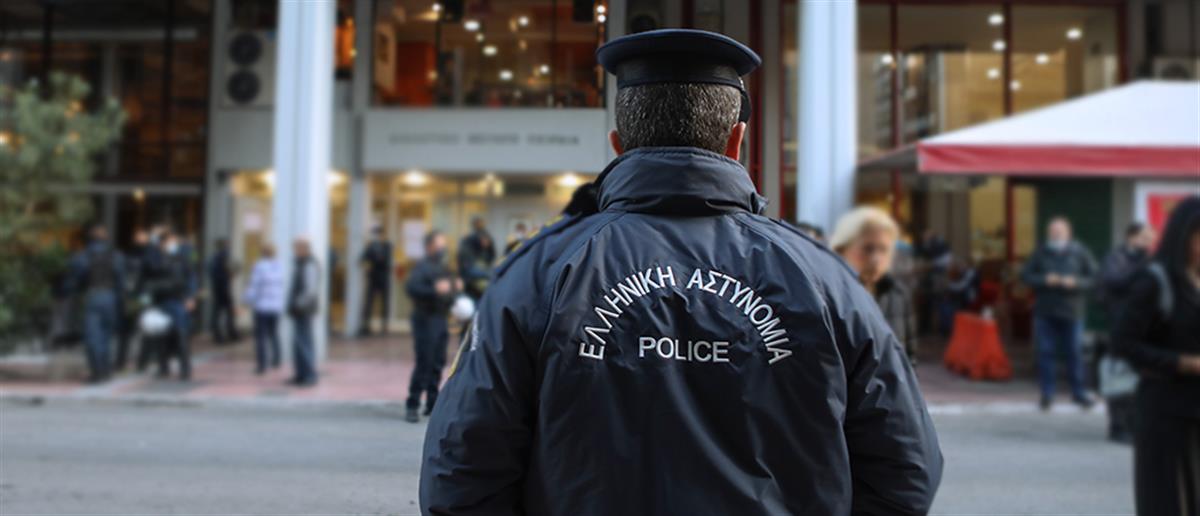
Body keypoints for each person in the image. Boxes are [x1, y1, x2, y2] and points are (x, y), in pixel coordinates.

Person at [420, 29, 941, 515]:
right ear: (736, 141)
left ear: (618, 144)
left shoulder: (537, 274)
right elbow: (905, 467)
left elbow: (462, 469)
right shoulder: (825, 280)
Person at [1113, 196, 1200, 516]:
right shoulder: (1155, 281)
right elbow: (1123, 342)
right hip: (1166, 411)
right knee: (1168, 501)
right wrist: (1182, 362)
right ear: (1183, 236)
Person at [1021, 216, 1098, 411]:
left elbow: (1094, 277)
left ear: (1068, 233)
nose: (1056, 235)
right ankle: (1047, 394)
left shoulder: (1080, 252)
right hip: (1045, 311)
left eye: (1059, 231)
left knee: (1074, 352)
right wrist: (1044, 279)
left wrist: (1076, 282)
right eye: (1053, 232)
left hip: (1072, 312)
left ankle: (1078, 393)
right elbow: (1026, 275)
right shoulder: (1041, 252)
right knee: (1045, 353)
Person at [831, 207, 918, 365]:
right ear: (841, 250)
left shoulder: (898, 294)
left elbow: (909, 356)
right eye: (868, 249)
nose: (876, 259)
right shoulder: (828, 297)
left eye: (883, 249)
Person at [1098, 222, 1157, 443]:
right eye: (1145, 238)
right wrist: (1143, 268)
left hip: (1143, 325)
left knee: (1138, 378)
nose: (1149, 242)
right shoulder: (1117, 258)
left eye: (1151, 239)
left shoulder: (1148, 259)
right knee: (1120, 376)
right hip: (1120, 325)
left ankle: (1134, 425)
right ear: (1132, 237)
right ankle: (1118, 427)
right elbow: (1114, 281)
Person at [404, 230, 460, 423]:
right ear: (429, 246)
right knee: (424, 362)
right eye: (439, 243)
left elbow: (449, 293)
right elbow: (412, 288)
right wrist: (434, 290)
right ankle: (412, 404)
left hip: (440, 319)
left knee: (438, 361)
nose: (443, 247)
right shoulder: (422, 267)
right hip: (425, 319)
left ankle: (432, 403)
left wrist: (455, 288)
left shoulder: (443, 267)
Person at [68, 224, 125, 383]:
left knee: (93, 336)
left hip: (93, 296)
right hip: (111, 297)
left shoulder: (83, 256)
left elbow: (76, 278)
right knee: (106, 336)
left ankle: (97, 372)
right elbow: (121, 281)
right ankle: (106, 370)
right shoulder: (116, 256)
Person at [143, 230, 197, 380]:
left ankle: (185, 369)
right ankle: (163, 367)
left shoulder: (181, 258)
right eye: (171, 241)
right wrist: (146, 302)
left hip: (177, 300)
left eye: (175, 241)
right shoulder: (153, 259)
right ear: (162, 243)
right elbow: (146, 279)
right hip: (160, 301)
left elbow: (191, 277)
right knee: (161, 335)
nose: (174, 244)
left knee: (181, 334)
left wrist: (190, 297)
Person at [243, 243, 286, 375]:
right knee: (274, 333)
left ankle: (262, 365)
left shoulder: (259, 266)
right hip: (276, 306)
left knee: (261, 336)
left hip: (262, 306)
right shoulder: (280, 266)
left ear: (262, 253)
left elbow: (254, 285)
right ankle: (277, 359)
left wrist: (246, 300)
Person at [286, 238, 321, 387]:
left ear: (304, 248)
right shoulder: (299, 263)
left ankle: (309, 375)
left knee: (304, 342)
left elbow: (310, 290)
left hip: (304, 310)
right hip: (298, 310)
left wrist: (297, 304)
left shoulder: (309, 264)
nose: (294, 250)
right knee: (298, 343)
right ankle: (300, 374)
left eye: (296, 247)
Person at [358, 226, 393, 336]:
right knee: (369, 302)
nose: (378, 237)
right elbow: (363, 259)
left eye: (379, 234)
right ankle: (366, 325)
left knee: (385, 302)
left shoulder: (387, 246)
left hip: (384, 277)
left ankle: (384, 326)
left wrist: (374, 257)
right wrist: (368, 264)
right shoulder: (371, 246)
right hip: (373, 277)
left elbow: (384, 259)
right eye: (376, 235)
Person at [207, 238, 240, 344]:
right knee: (228, 311)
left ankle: (218, 335)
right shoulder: (224, 255)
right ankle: (231, 333)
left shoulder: (212, 258)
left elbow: (210, 272)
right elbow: (233, 268)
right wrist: (230, 275)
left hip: (217, 286)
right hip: (224, 286)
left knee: (217, 312)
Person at [457, 217, 496, 302]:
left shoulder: (482, 245)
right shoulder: (467, 246)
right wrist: (487, 273)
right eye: (483, 241)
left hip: (478, 283)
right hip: (469, 285)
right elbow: (469, 269)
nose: (485, 244)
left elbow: (490, 258)